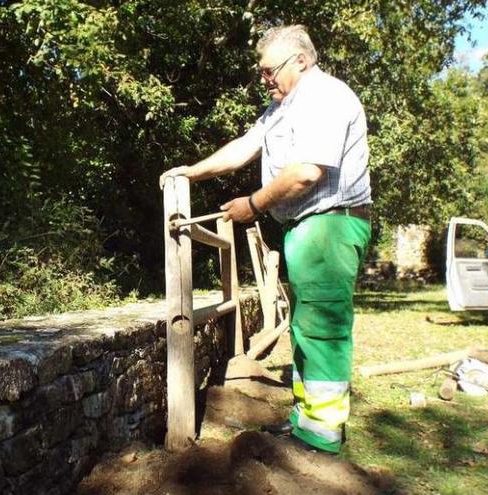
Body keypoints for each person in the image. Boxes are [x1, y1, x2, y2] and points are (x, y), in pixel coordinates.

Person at [158, 24, 371, 455]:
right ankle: (308, 419)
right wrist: (190, 172)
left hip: (330, 226)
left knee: (324, 328)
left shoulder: (324, 96)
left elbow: (308, 171)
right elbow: (244, 146)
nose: (264, 79)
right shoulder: (283, 108)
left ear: (301, 61)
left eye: (269, 70)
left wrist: (252, 205)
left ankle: (323, 434)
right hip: (309, 229)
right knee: (307, 326)